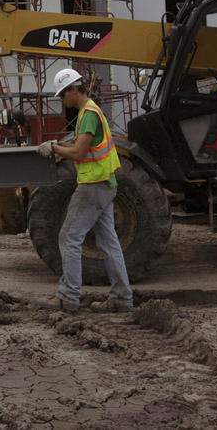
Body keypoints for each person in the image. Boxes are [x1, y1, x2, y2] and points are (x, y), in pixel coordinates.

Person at [35, 68, 133, 313]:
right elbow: (82, 147)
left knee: (69, 237)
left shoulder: (88, 114)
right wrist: (59, 144)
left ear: (74, 89)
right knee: (110, 244)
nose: (61, 99)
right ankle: (121, 298)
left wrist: (55, 149)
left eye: (62, 94)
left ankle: (68, 297)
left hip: (92, 187)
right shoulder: (89, 112)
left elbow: (78, 153)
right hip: (105, 185)